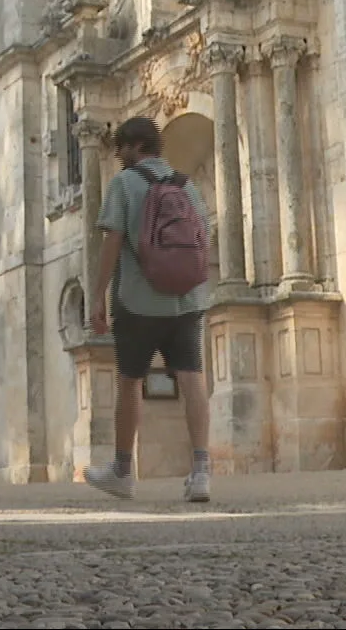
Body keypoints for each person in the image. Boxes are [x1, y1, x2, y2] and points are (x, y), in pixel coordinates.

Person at [85, 116, 215, 503]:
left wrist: (97, 295)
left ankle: (123, 472)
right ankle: (202, 471)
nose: (119, 156)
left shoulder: (124, 184)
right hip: (188, 300)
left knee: (129, 381)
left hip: (138, 301)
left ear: (133, 147)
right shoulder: (186, 185)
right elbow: (202, 238)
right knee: (193, 378)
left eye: (120, 149)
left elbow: (112, 242)